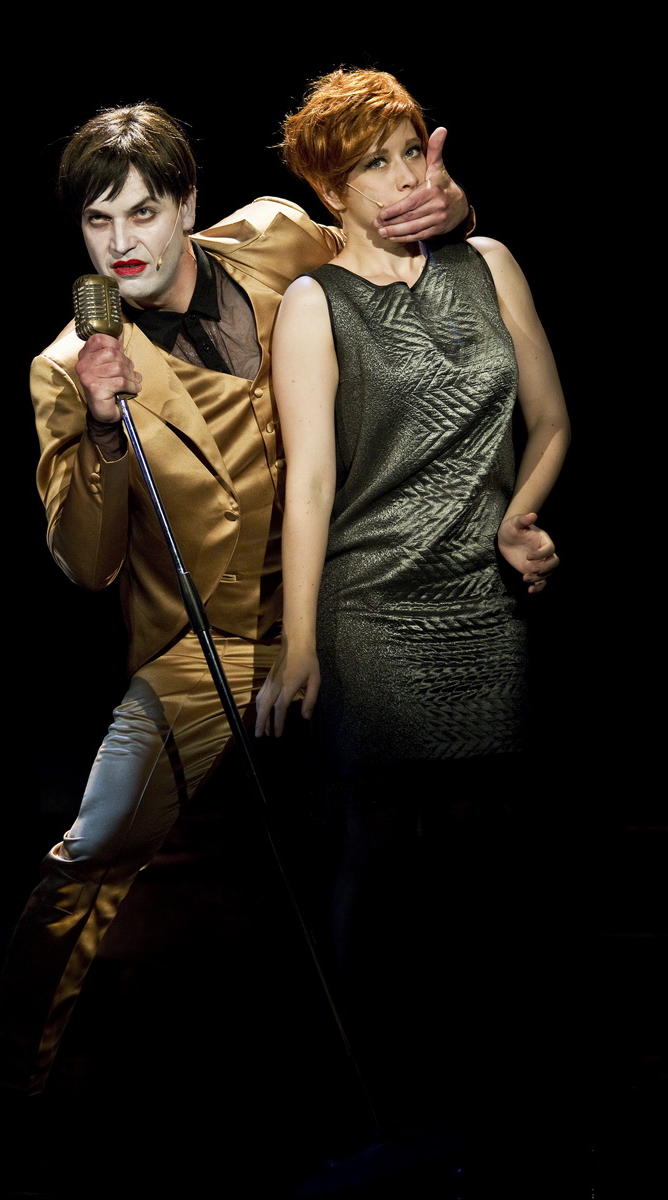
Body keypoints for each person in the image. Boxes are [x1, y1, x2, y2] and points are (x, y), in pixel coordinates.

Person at [0, 98, 471, 1156]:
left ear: (188, 203)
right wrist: (102, 427)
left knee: (415, 826)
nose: (122, 243)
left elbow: (391, 252)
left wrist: (447, 210)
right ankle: (5, 1100)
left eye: (143, 212)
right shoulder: (66, 365)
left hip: (353, 589)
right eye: (98, 221)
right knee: (92, 844)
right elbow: (86, 563)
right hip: (214, 642)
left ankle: (436, 1088)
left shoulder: (278, 238)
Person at [254, 68, 571, 1136]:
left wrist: (518, 515)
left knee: (486, 852)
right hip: (373, 604)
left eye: (406, 152)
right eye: (370, 165)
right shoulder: (315, 302)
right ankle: (376, 1099)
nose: (399, 179)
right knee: (379, 844)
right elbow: (309, 483)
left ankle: (482, 1099)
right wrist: (300, 642)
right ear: (328, 191)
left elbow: (551, 420)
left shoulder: (487, 262)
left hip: (484, 601)